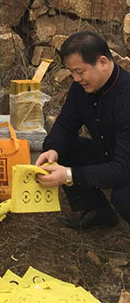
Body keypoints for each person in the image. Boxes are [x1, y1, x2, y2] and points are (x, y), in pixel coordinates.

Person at [36, 31, 130, 230]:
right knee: (62, 146)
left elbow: (123, 169)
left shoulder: (126, 98)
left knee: (123, 197)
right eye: (72, 73)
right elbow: (65, 124)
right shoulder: (81, 88)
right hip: (110, 154)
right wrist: (52, 149)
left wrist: (69, 175)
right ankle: (98, 212)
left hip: (125, 165)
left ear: (103, 62)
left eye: (80, 71)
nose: (76, 79)